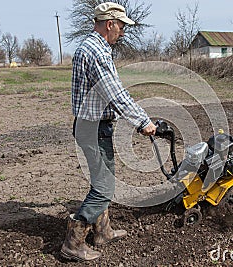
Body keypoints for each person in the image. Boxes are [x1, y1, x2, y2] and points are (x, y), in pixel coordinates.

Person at [60, 2, 157, 262]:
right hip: (93, 128)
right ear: (110, 24)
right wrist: (143, 121)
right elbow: (116, 95)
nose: (123, 32)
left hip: (95, 126)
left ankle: (102, 231)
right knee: (104, 187)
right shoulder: (96, 52)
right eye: (122, 26)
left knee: (104, 179)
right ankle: (74, 240)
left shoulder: (96, 48)